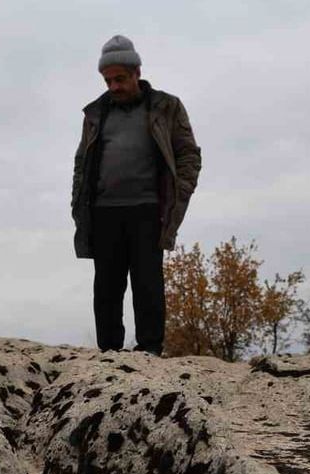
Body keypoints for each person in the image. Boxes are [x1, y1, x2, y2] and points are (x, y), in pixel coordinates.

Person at [71, 34, 202, 356]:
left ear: (136, 73)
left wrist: (180, 192)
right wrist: (77, 200)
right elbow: (81, 161)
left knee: (148, 284)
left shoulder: (165, 106)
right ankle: (109, 353)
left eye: (120, 79)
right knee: (107, 287)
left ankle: (150, 351)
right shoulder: (95, 113)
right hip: (103, 211)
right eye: (108, 80)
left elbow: (188, 155)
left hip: (148, 209)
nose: (114, 86)